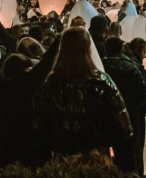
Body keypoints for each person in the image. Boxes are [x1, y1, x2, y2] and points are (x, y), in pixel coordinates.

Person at [33, 28, 132, 163]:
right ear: (88, 49)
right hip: (96, 159)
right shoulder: (102, 82)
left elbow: (39, 128)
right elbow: (122, 128)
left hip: (63, 162)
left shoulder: (51, 84)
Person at [102, 37, 146, 173]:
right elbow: (143, 94)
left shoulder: (101, 67)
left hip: (108, 116)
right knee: (133, 152)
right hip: (132, 114)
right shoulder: (133, 67)